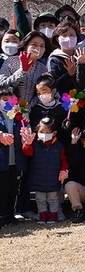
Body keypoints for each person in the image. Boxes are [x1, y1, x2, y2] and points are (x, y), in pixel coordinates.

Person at [20, 117, 67, 224]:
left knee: (53, 199)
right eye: (41, 132)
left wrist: (64, 170)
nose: (44, 134)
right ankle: (42, 216)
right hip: (38, 178)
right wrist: (27, 143)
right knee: (40, 199)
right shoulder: (35, 144)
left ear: (54, 132)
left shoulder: (59, 146)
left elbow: (63, 160)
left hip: (53, 178)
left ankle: (53, 216)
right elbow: (27, 152)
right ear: (37, 131)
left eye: (47, 132)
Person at [0, 85, 26, 228]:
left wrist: (26, 138)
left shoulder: (19, 115)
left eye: (12, 99)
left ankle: (10, 215)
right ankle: (1, 216)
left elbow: (25, 132)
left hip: (15, 160)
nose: (8, 103)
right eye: (4, 99)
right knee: (2, 190)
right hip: (1, 161)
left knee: (13, 189)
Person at [0, 30, 49, 103]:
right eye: (34, 44)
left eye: (42, 46)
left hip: (30, 111)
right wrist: (22, 71)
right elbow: (2, 85)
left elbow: (40, 94)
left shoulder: (43, 68)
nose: (38, 48)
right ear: (26, 46)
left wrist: (27, 109)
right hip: (7, 108)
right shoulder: (11, 62)